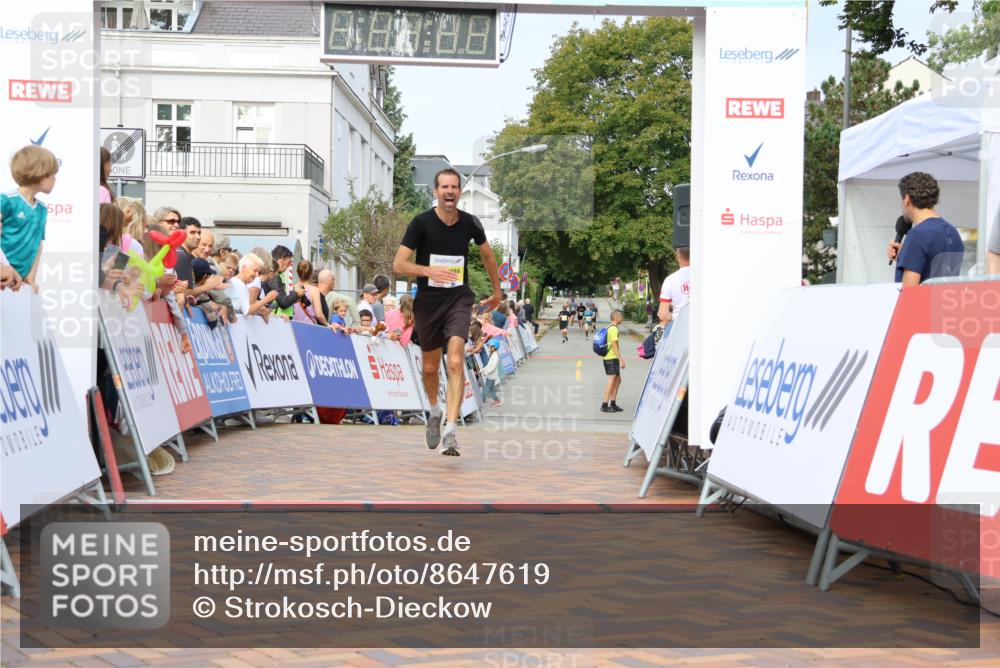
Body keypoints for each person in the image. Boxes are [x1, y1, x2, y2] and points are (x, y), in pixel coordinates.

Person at [392, 167, 501, 457]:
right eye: (444, 187)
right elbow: (399, 265)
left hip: (458, 299)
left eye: (454, 187)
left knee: (454, 360)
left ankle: (451, 431)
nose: (450, 192)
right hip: (428, 301)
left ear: (460, 192)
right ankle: (435, 411)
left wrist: (498, 291)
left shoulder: (470, 223)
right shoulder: (421, 223)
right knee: (430, 367)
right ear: (435, 192)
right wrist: (429, 271)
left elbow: (488, 255)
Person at [886, 172, 963, 285]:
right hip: (946, 301)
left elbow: (910, 293)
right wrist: (904, 256)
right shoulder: (953, 232)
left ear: (907, 199)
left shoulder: (917, 235)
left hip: (922, 302)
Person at [1, 144, 59, 289]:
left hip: (19, 283)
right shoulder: (6, 200)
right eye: (52, 174)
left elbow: (38, 244)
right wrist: (3, 266)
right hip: (3, 276)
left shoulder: (41, 209)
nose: (55, 179)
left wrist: (31, 277)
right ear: (40, 174)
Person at [229, 252, 277, 317]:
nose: (257, 275)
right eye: (255, 270)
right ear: (244, 268)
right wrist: (266, 300)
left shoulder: (237, 282)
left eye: (258, 272)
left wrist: (260, 310)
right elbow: (247, 311)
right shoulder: (238, 284)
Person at [658, 247, 690, 333]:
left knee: (651, 343)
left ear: (677, 256)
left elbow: (662, 315)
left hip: (678, 330)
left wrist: (674, 315)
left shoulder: (670, 280)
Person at [601, 309, 625, 413]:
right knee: (611, 381)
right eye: (621, 316)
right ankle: (604, 404)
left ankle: (613, 403)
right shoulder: (614, 329)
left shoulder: (609, 327)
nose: (622, 318)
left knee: (618, 380)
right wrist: (621, 359)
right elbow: (614, 345)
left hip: (609, 357)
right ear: (617, 318)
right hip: (611, 358)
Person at [481, 340, 502, 407]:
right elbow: (488, 365)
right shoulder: (493, 355)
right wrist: (482, 370)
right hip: (490, 376)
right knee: (491, 389)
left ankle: (482, 402)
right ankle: (497, 400)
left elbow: (493, 367)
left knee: (486, 389)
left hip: (491, 376)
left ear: (494, 348)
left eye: (489, 347)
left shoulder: (495, 356)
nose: (488, 348)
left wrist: (486, 372)